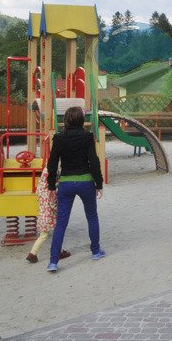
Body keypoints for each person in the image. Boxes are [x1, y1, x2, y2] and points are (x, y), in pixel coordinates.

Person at [45, 105, 106, 272]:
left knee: (61, 222)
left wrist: (51, 186)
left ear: (66, 120)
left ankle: (53, 261)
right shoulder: (87, 137)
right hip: (86, 182)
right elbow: (94, 161)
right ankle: (95, 251)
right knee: (92, 217)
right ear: (81, 120)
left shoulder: (58, 138)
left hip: (65, 183)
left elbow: (52, 163)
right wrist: (99, 184)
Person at [26, 168, 71, 263]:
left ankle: (32, 253)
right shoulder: (50, 191)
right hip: (50, 217)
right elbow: (53, 204)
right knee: (57, 232)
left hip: (43, 216)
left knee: (43, 236)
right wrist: (59, 210)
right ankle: (58, 252)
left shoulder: (40, 188)